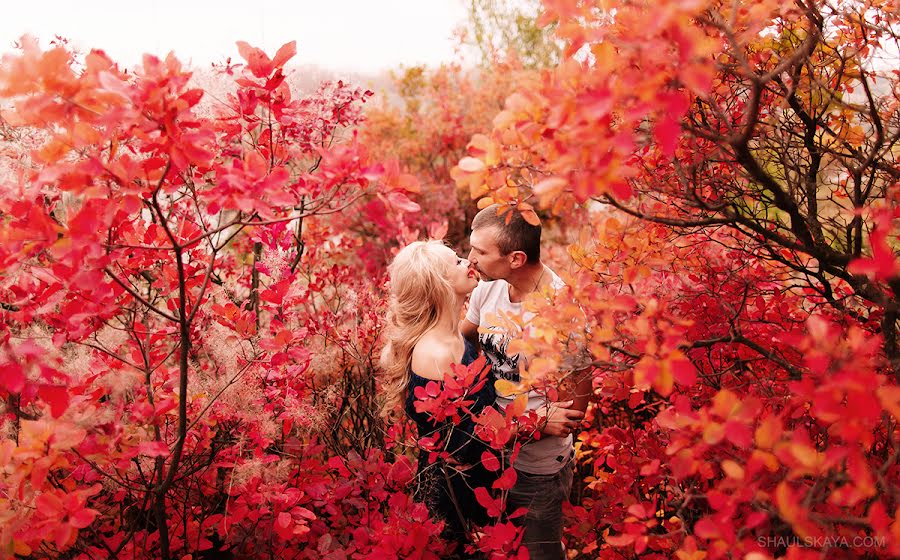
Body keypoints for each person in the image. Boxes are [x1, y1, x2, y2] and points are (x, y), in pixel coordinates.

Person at [460, 204, 592, 560]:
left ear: (516, 258)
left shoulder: (562, 315)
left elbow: (571, 413)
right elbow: (462, 339)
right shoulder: (488, 290)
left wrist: (522, 428)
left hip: (536, 469)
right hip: (487, 453)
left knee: (541, 554)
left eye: (481, 252)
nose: (470, 258)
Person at [379, 239, 498, 554]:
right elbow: (466, 444)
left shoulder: (453, 333)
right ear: (440, 285)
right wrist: (538, 425)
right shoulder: (436, 353)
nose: (468, 260)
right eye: (457, 261)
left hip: (477, 483)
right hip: (454, 496)